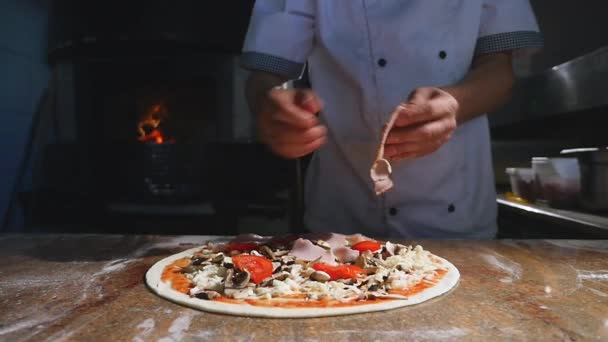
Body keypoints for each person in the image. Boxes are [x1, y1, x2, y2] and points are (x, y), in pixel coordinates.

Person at [240, 1, 542, 238]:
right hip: (341, 217)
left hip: (456, 217)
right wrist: (268, 105)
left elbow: (500, 71)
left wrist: (455, 104)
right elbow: (264, 74)